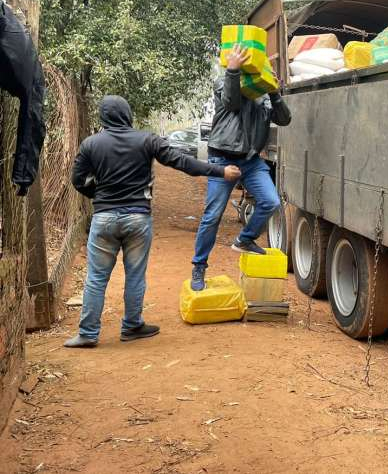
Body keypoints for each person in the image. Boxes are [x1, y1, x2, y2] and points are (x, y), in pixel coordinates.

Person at [64, 95, 241, 348]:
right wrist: (220, 171)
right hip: (138, 218)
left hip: (104, 219)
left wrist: (99, 197)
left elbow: (78, 181)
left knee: (96, 278)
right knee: (135, 275)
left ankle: (88, 333)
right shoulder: (147, 140)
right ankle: (132, 326)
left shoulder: (91, 144)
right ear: (127, 115)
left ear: (103, 117)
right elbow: (182, 162)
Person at [190, 45, 291, 291]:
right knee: (212, 216)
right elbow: (232, 103)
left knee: (271, 201)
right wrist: (233, 71)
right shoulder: (224, 81)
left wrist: (274, 93)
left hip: (251, 160)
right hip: (222, 159)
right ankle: (199, 266)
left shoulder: (264, 92)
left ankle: (245, 240)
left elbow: (284, 119)